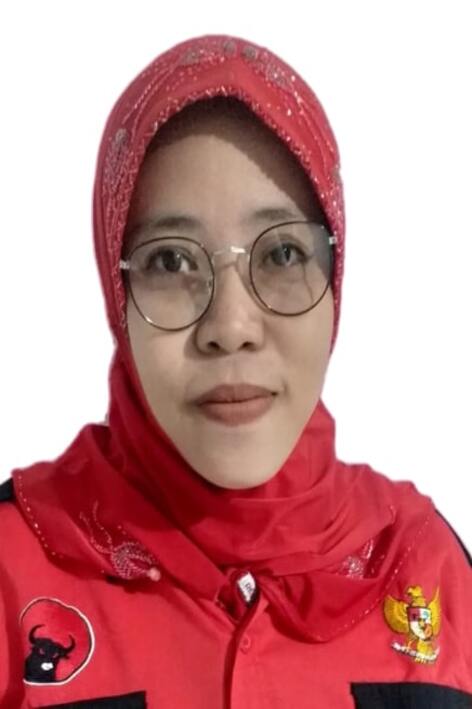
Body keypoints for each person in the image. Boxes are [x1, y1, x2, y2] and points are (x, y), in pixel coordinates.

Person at [0, 33, 470, 709]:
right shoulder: (15, 568)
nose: (231, 326)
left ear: (336, 279)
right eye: (170, 261)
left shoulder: (424, 562)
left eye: (281, 255)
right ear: (115, 293)